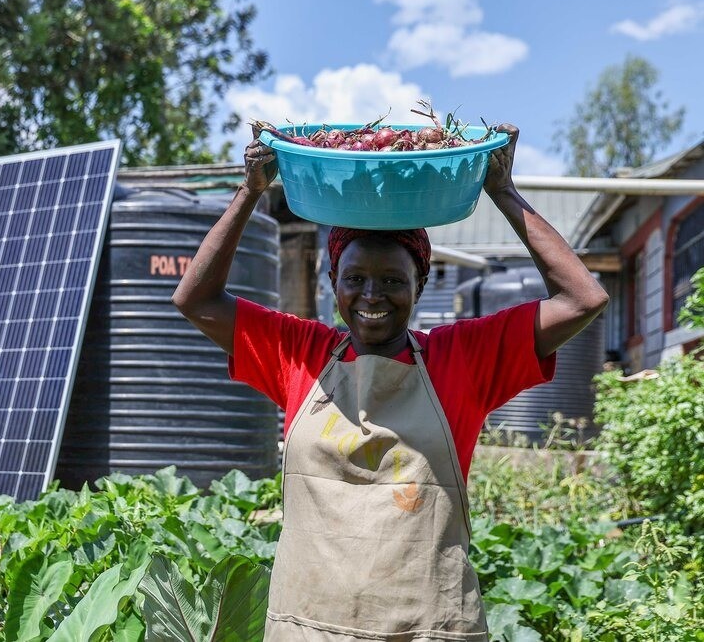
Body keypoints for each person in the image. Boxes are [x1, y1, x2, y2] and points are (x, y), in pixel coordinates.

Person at [172, 124, 608, 640]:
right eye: (354, 279)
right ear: (333, 282)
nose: (371, 295)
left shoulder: (462, 358)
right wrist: (250, 192)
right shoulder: (300, 353)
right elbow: (195, 300)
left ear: (420, 283)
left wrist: (502, 191)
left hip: (429, 627)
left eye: (393, 281)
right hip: (308, 626)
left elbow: (582, 299)